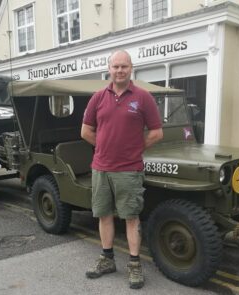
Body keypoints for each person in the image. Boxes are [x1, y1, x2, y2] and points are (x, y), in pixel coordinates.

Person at [81, 50, 163, 289]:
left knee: (131, 217)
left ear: (131, 68)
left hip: (129, 169)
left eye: (124, 66)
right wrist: (106, 147)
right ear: (109, 69)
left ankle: (135, 265)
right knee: (104, 215)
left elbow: (157, 133)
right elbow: (85, 131)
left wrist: (133, 149)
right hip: (101, 168)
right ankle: (107, 260)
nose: (119, 71)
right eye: (115, 66)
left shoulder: (143, 97)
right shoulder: (97, 97)